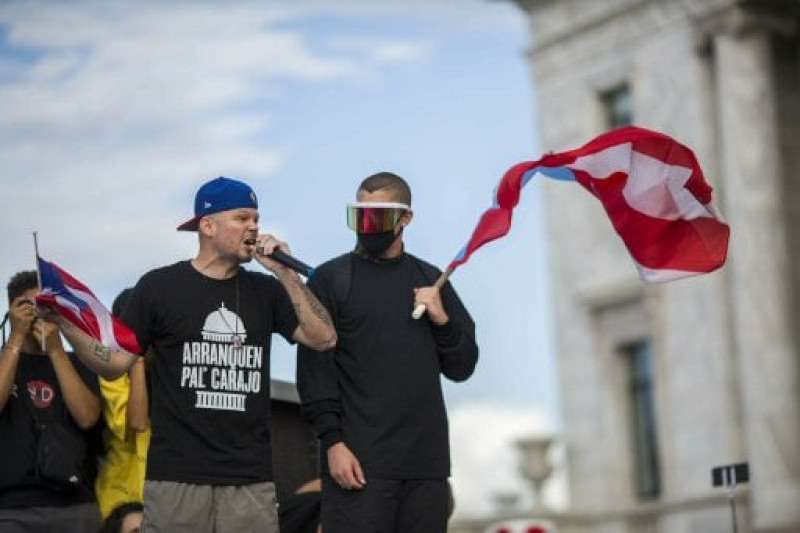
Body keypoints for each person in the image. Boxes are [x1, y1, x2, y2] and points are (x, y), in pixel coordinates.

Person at [49, 176, 337, 533]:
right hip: (176, 478)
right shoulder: (159, 287)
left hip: (249, 479)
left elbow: (323, 337)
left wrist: (286, 274)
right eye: (242, 218)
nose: (254, 227)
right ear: (208, 225)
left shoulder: (267, 290)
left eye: (256, 219)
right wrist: (65, 324)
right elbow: (115, 363)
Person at [297, 171, 479, 533]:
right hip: (359, 466)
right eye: (359, 216)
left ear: (405, 217)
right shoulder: (330, 279)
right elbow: (314, 371)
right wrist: (333, 442)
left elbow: (462, 366)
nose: (367, 226)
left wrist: (442, 320)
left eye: (377, 217)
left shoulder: (432, 279)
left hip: (426, 468)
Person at [0, 270, 103, 532]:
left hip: (73, 502)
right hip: (11, 506)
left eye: (47, 307)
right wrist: (15, 338)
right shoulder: (4, 361)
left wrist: (56, 350)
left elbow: (88, 417)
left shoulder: (78, 362)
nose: (38, 314)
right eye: (30, 305)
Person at [95, 288, 151, 519]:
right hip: (122, 499)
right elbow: (133, 424)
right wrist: (136, 358)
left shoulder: (174, 367)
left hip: (169, 495)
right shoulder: (112, 372)